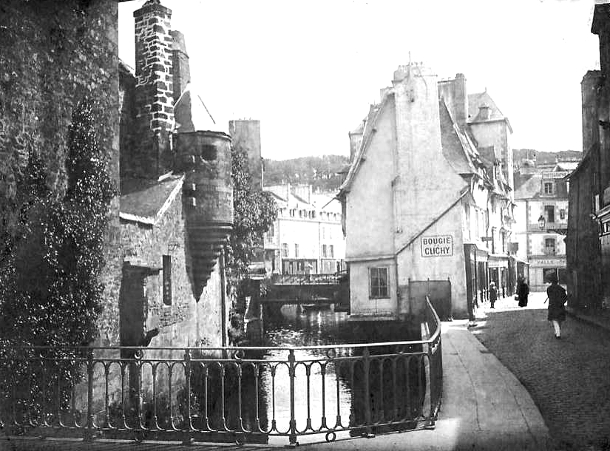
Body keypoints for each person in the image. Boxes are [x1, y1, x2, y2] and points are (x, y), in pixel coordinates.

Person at [546, 274, 567, 339]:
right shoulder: (562, 289)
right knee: (559, 320)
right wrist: (562, 302)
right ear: (557, 282)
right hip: (560, 306)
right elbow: (565, 297)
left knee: (554, 320)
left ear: (551, 282)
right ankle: (557, 332)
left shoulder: (549, 289)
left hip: (553, 306)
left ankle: (558, 333)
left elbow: (549, 296)